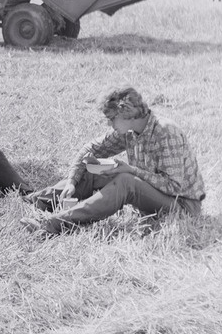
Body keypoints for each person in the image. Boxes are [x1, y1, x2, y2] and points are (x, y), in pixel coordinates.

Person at [22, 86, 206, 235]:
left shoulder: (165, 132)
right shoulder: (129, 130)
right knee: (95, 170)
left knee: (126, 182)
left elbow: (173, 186)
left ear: (127, 113)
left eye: (111, 119)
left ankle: (54, 224)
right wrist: (72, 180)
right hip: (160, 194)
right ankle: (36, 200)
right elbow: (90, 149)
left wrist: (131, 171)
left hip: (182, 205)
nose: (109, 124)